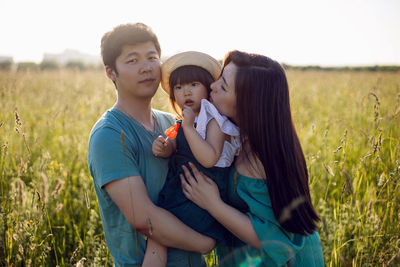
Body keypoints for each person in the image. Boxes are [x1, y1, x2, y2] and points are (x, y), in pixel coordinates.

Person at [181, 50, 325, 266]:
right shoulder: (257, 138)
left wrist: (213, 204)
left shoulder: (257, 158)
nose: (212, 86)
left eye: (224, 86)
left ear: (248, 103)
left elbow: (274, 239)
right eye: (219, 78)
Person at [88, 23, 215, 267]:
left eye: (152, 57)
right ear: (111, 72)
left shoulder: (172, 123)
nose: (146, 67)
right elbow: (143, 218)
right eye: (132, 60)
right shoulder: (110, 134)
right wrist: (206, 243)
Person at [147, 51, 240, 260]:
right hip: (183, 190)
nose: (186, 92)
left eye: (193, 85)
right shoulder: (188, 120)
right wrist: (166, 148)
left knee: (158, 231)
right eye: (178, 88)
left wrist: (188, 128)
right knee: (158, 230)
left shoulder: (214, 120)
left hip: (202, 194)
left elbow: (209, 158)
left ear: (208, 87)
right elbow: (179, 147)